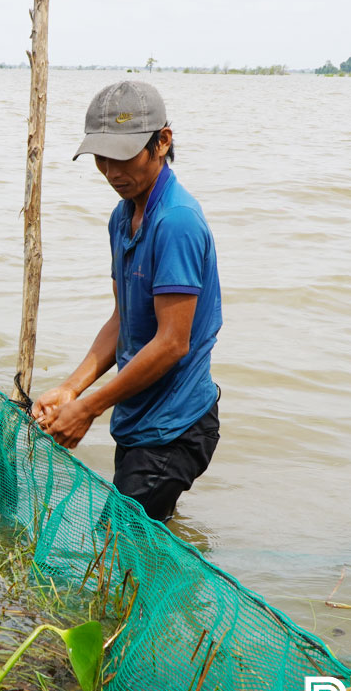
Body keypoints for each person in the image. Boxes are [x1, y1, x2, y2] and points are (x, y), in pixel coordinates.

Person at [31, 80, 221, 522]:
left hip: (174, 427)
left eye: (123, 156)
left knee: (118, 547)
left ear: (163, 142)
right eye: (101, 158)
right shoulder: (124, 216)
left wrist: (89, 408)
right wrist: (70, 389)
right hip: (139, 419)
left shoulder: (176, 222)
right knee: (150, 544)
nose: (112, 171)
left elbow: (173, 343)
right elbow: (124, 320)